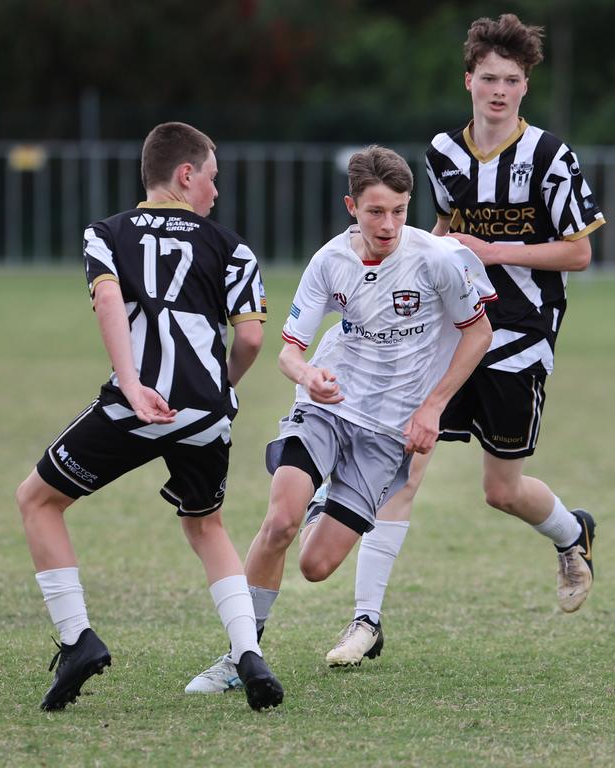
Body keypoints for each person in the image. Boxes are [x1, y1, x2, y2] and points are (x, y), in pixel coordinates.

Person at [322, 13, 607, 667]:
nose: (498, 91)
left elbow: (580, 253)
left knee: (501, 490)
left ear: (525, 86)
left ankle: (572, 533)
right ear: (469, 81)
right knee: (403, 464)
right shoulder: (443, 154)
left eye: (511, 80)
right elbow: (442, 240)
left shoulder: (549, 156)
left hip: (522, 334)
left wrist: (493, 249)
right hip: (451, 331)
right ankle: (365, 623)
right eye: (488, 79)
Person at [184, 145, 493, 692]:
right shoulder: (330, 261)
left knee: (316, 566)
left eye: (399, 210)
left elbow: (479, 333)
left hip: (387, 433)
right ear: (351, 205)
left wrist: (433, 407)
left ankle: (324, 504)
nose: (389, 224)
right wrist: (308, 378)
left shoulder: (438, 260)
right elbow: (288, 351)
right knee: (279, 522)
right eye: (376, 211)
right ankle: (241, 655)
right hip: (327, 407)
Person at [15, 121, 284, 712]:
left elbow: (109, 299)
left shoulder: (105, 232)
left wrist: (134, 384)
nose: (215, 192)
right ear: (185, 176)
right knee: (207, 525)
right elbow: (253, 339)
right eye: (211, 178)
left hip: (139, 401)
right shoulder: (231, 245)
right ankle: (248, 653)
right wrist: (221, 389)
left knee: (38, 500)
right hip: (209, 409)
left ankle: (77, 640)